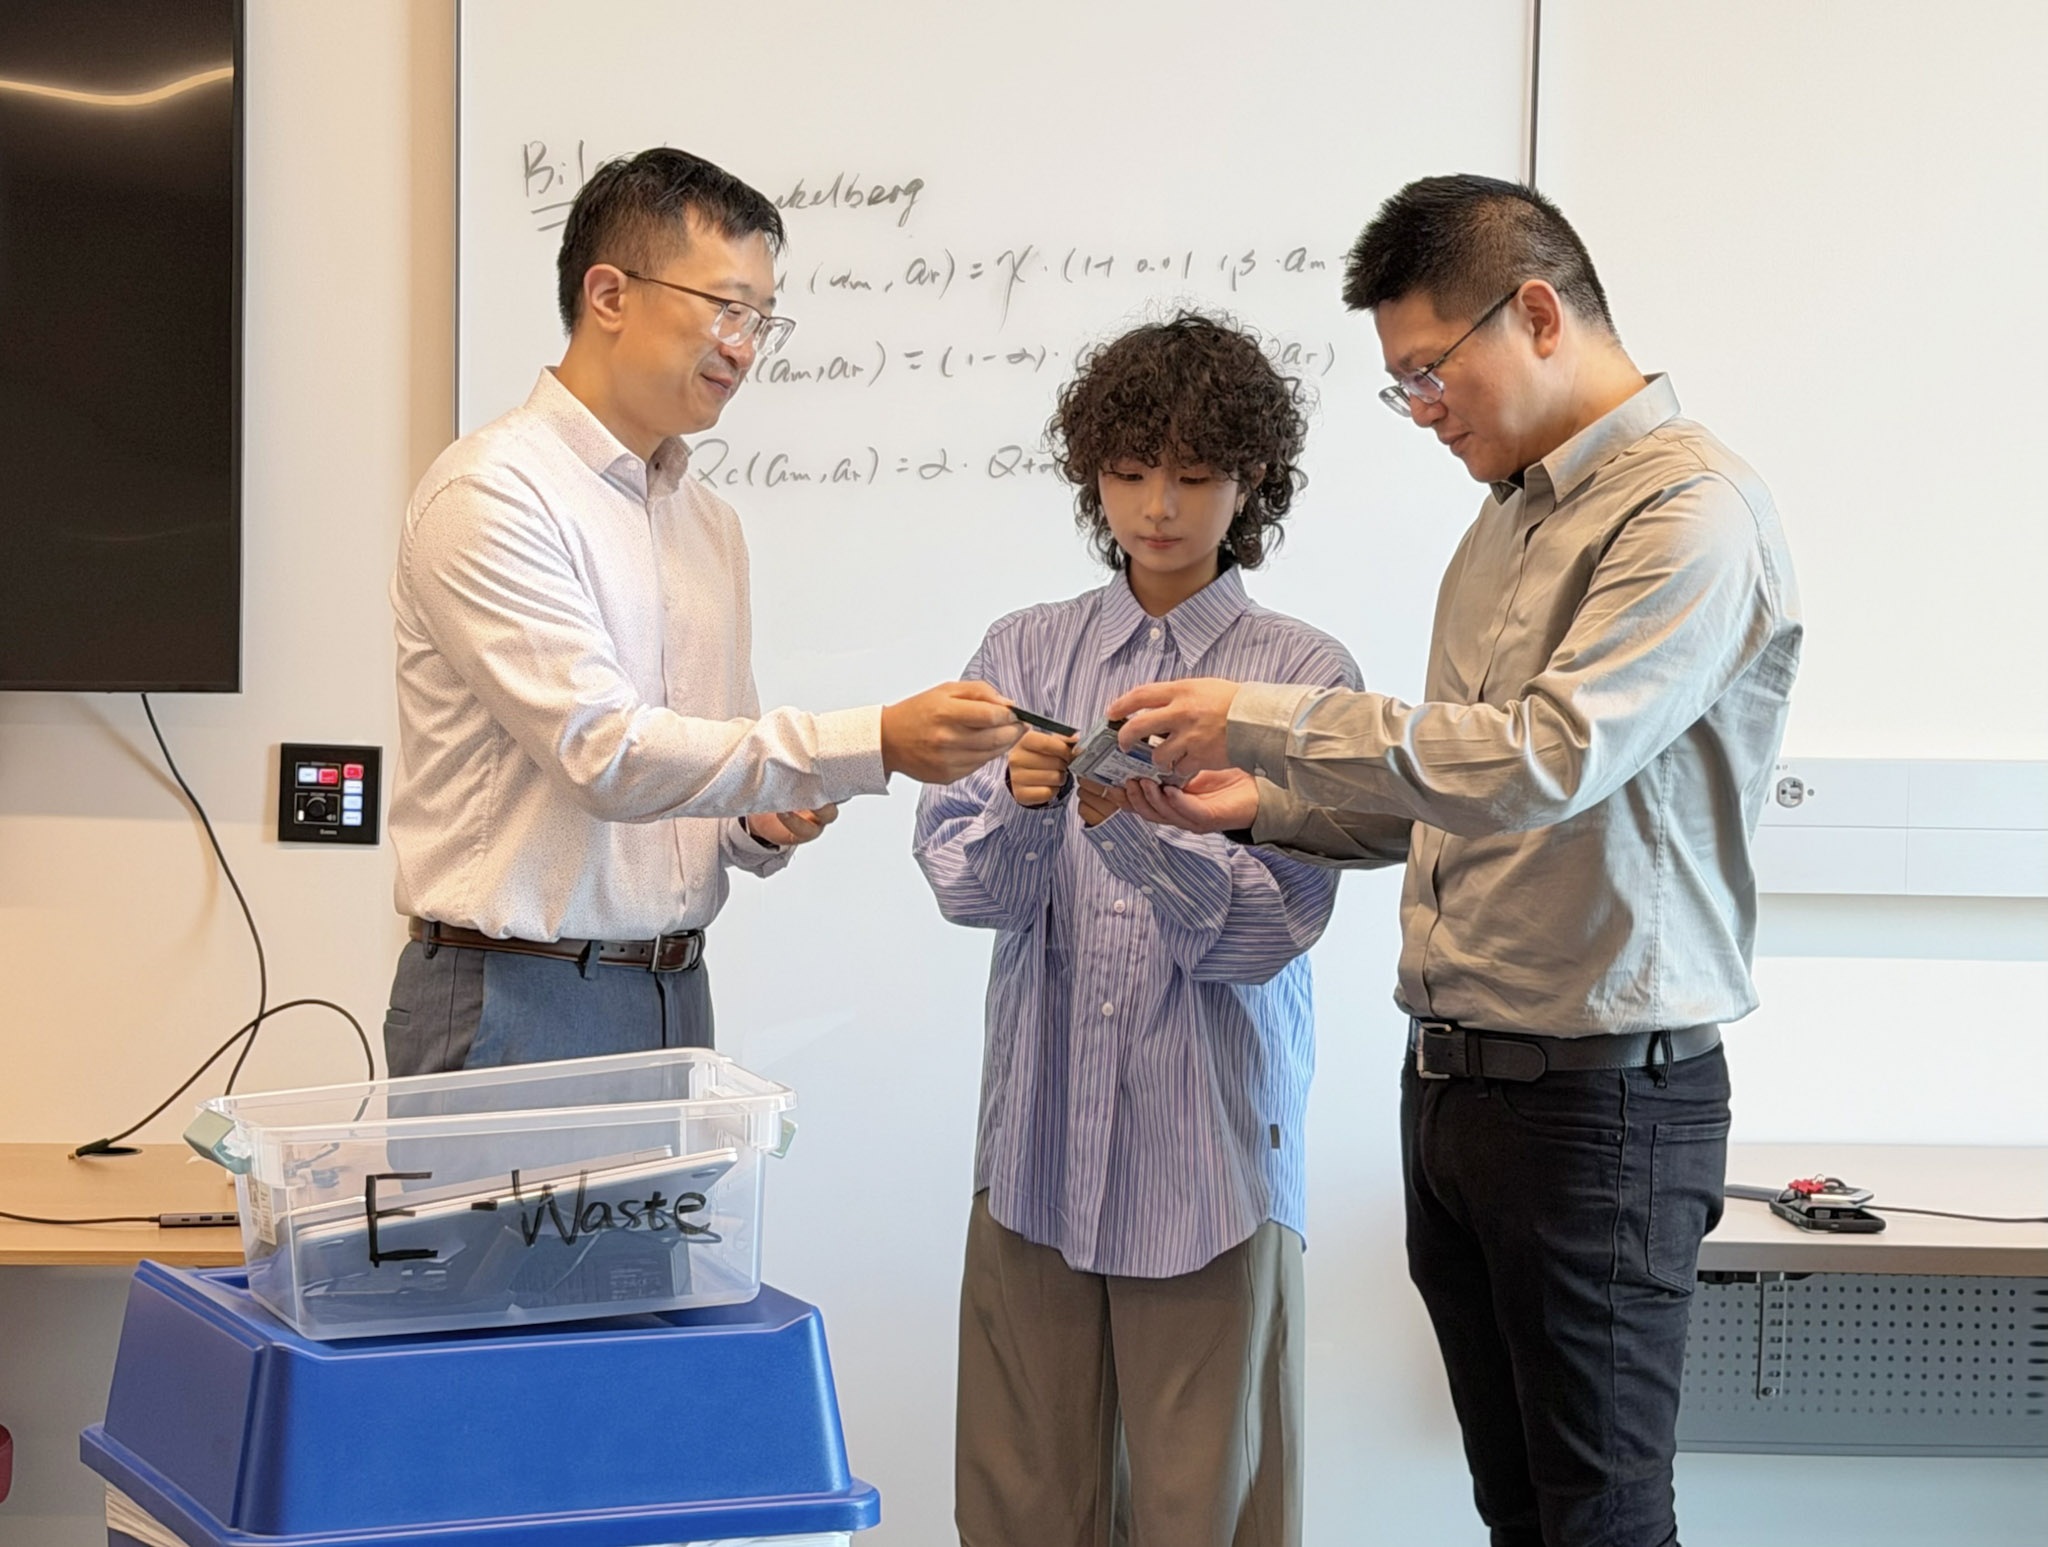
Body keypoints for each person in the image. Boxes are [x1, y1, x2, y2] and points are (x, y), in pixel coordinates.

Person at [1106, 177, 1803, 1547]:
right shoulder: (1503, 520)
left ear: (1537, 312)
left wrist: (1255, 709)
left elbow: (1544, 754)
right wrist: (1259, 805)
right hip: (1459, 1089)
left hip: (1599, 1107)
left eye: (1430, 372)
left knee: (1601, 1516)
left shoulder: (1690, 513)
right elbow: (1459, 795)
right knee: (1521, 1510)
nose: (1423, 410)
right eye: (1403, 386)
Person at [383, 147, 1023, 1076]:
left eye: (762, 317)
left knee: (669, 1234)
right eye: (725, 307)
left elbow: (696, 769)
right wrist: (875, 740)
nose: (745, 345)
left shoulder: (707, 522)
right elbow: (606, 755)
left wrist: (756, 824)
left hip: (675, 993)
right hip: (513, 999)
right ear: (609, 295)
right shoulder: (493, 493)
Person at [913, 313, 1361, 1547]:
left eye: (1191, 472)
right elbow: (962, 885)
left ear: (1249, 478)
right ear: (1089, 474)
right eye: (1125, 471)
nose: (1155, 505)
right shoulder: (1022, 647)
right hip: (1036, 1143)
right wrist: (1018, 805)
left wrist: (1120, 826)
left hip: (1207, 1155)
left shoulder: (1300, 673)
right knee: (1018, 1507)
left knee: (1198, 1511)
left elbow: (1269, 926)